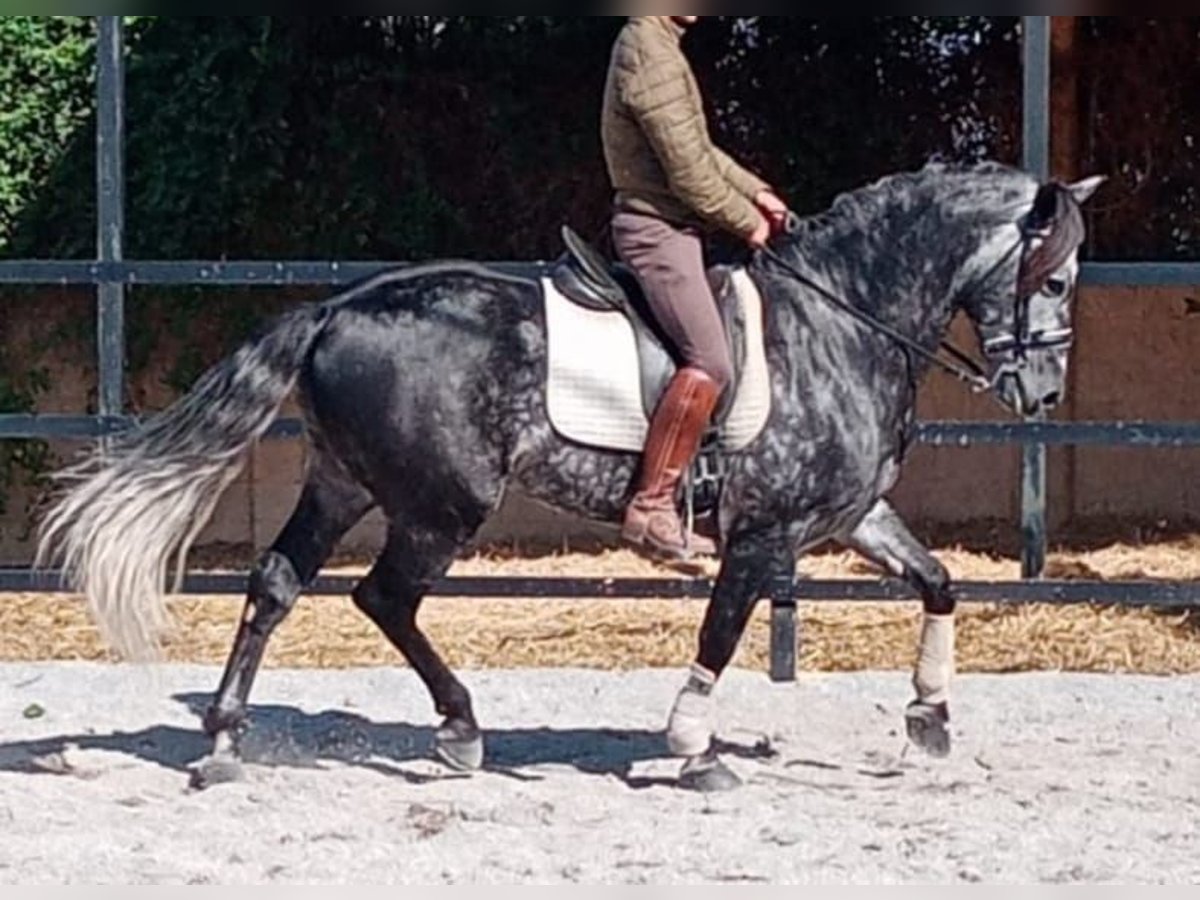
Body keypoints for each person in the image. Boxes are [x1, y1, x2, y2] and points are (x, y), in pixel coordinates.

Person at [601, 15, 788, 560]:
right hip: (656, 232)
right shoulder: (648, 48)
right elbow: (687, 173)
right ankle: (652, 506)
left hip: (676, 229)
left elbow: (699, 149)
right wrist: (748, 223)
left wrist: (758, 193)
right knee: (712, 360)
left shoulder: (661, 43)